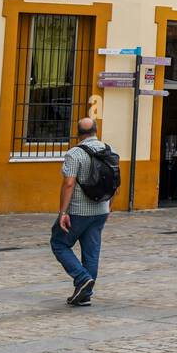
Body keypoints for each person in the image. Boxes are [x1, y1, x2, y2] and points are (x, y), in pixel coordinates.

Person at [51, 116, 111, 306]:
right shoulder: (109, 151)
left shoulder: (74, 154)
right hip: (101, 209)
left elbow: (69, 184)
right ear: (96, 130)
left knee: (59, 243)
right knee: (92, 253)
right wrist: (109, 206)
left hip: (78, 210)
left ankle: (81, 278)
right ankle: (85, 294)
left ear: (77, 133)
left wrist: (63, 212)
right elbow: (114, 181)